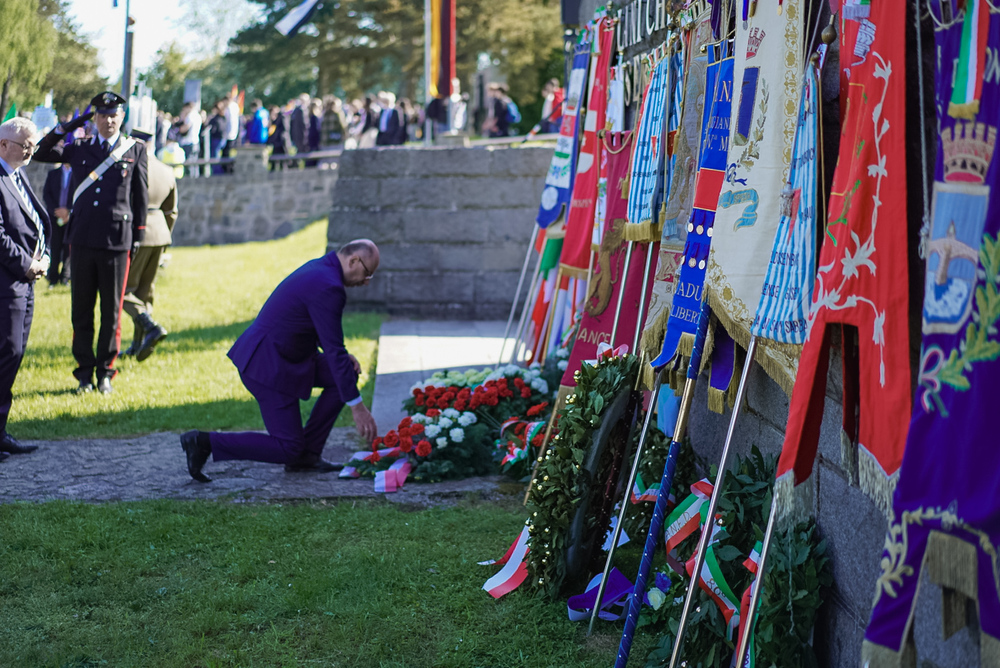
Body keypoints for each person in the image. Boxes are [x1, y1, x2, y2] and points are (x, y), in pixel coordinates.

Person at [180, 239, 381, 482]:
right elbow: (333, 348)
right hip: (267, 365)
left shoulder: (323, 270)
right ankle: (204, 442)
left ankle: (308, 455)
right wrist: (357, 408)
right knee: (288, 448)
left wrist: (340, 357)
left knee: (345, 371)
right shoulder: (329, 285)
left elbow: (314, 324)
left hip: (284, 356)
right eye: (367, 273)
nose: (366, 281)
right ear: (353, 261)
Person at [34, 91, 149, 395]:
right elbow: (41, 152)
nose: (108, 121)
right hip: (83, 239)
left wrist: (137, 237)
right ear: (94, 118)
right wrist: (69, 126)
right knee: (81, 311)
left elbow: (140, 197)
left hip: (116, 242)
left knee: (111, 313)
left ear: (121, 117)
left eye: (114, 115)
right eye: (102, 115)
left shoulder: (134, 149)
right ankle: (84, 373)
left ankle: (105, 372)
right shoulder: (80, 148)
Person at [0, 118, 48, 461]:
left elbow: (33, 222)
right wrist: (27, 263)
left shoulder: (17, 173)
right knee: (7, 353)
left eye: (34, 145)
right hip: (7, 281)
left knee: (13, 355)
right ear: (3, 145)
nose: (31, 151)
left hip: (24, 282)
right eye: (25, 145)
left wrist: (44, 255)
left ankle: (1, 431)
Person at [120, 153, 175, 362]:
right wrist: (165, 235)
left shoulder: (131, 166)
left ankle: (151, 327)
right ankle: (138, 345)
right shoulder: (166, 170)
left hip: (138, 230)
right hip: (160, 232)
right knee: (144, 292)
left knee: (122, 290)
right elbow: (171, 211)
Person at [42, 163, 72, 286]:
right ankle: (53, 278)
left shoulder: (77, 174)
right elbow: (46, 193)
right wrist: (56, 211)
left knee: (68, 249)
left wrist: (68, 211)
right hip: (54, 217)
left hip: (70, 218)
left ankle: (65, 277)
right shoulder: (53, 173)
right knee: (55, 247)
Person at [176, 101, 201, 177]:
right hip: (195, 141)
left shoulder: (191, 116)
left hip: (188, 142)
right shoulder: (198, 115)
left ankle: (190, 179)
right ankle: (195, 178)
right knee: (194, 163)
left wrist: (179, 129)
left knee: (188, 163)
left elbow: (186, 127)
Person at [206, 100, 228, 175]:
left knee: (215, 158)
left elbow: (213, 129)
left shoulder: (216, 119)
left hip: (217, 139)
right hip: (222, 138)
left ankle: (217, 173)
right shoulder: (223, 118)